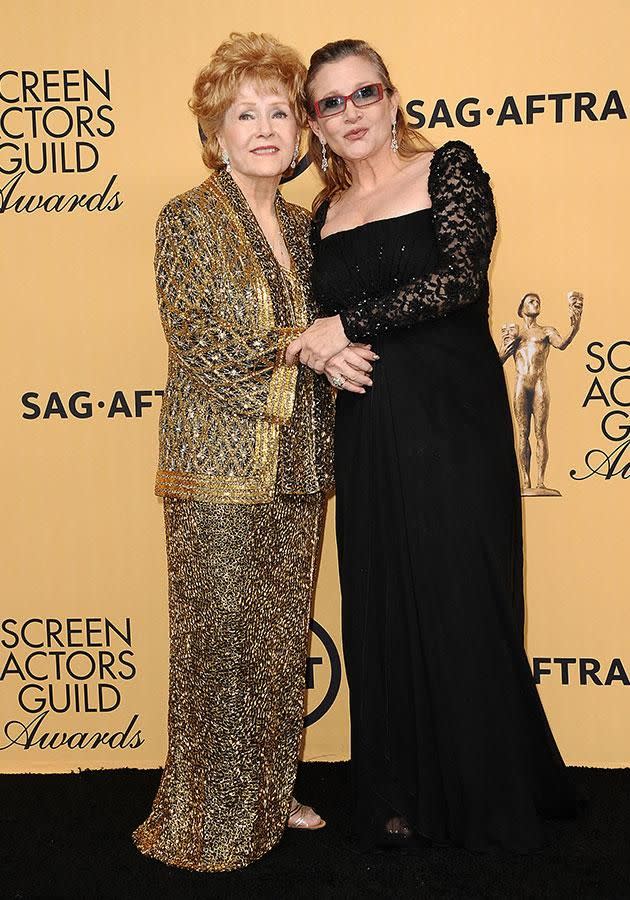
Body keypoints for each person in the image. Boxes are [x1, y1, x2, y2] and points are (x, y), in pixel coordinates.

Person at [286, 38, 576, 852]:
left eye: (363, 93)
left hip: (451, 416)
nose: (350, 113)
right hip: (371, 424)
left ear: (391, 97)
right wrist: (326, 350)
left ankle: (484, 796)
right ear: (313, 121)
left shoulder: (448, 166)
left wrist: (347, 324)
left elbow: (460, 281)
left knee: (458, 591)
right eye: (329, 103)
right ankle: (401, 789)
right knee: (382, 597)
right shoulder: (321, 214)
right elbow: (312, 321)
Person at [132, 32, 362, 872]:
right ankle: (206, 817)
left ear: (301, 132)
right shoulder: (187, 219)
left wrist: (329, 347)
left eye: (279, 111)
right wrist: (308, 345)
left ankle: (268, 790)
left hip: (298, 466)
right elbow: (202, 338)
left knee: (274, 647)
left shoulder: (310, 227)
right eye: (244, 113)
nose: (264, 127)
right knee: (217, 648)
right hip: (214, 467)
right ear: (215, 131)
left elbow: (329, 331)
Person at [500, 291, 584, 495]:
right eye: (531, 301)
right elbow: (499, 360)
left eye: (538, 301)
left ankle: (540, 481)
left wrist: (575, 325)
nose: (535, 304)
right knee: (522, 432)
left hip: (539, 384)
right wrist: (504, 348)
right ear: (522, 309)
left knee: (540, 432)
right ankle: (526, 481)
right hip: (521, 383)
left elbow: (562, 343)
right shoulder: (515, 333)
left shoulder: (546, 331)